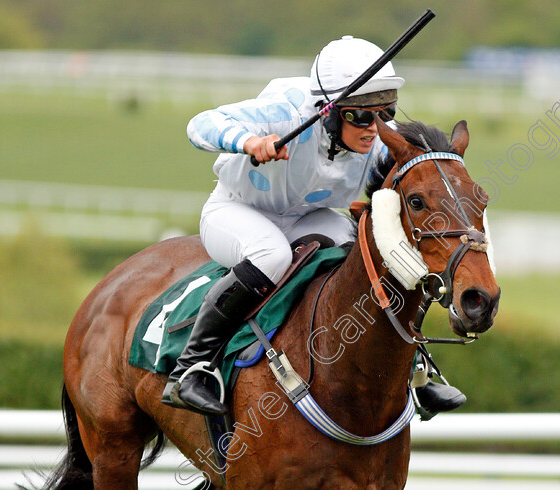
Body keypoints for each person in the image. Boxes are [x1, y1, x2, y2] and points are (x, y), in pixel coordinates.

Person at [162, 35, 465, 417]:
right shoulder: (288, 109)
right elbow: (199, 124)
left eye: (385, 113)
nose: (374, 128)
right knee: (270, 254)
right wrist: (249, 141)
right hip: (236, 211)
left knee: (361, 258)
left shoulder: (376, 142)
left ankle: (417, 374)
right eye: (360, 116)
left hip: (306, 219)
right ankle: (192, 368)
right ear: (328, 110)